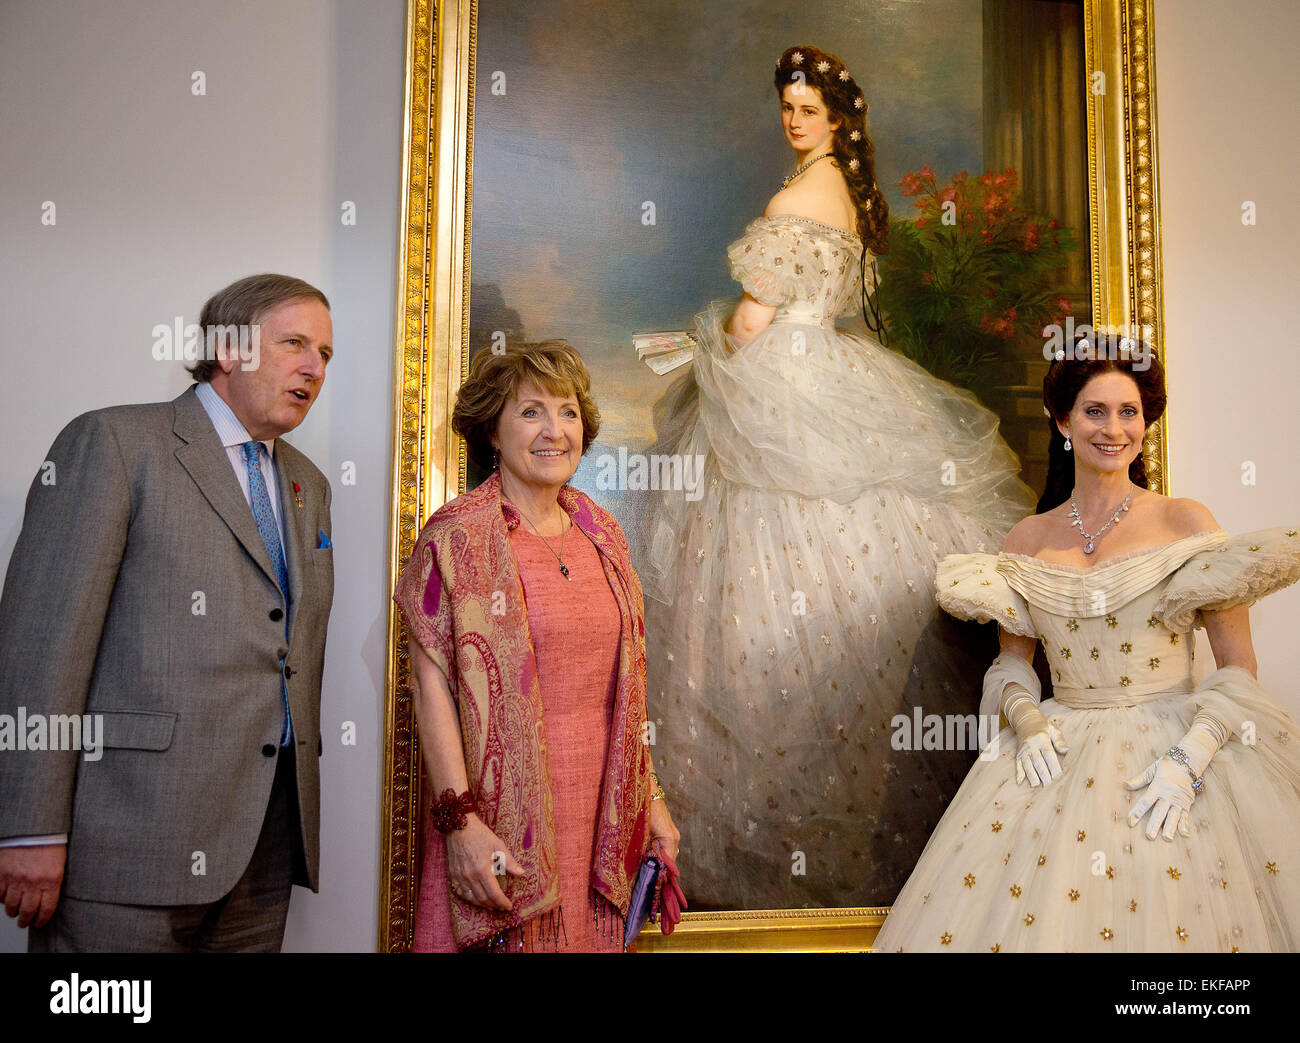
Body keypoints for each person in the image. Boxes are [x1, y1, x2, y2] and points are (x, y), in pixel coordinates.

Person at [639, 45, 1036, 908]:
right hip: (831, 370)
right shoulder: (848, 195)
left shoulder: (796, 195)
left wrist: (705, 344)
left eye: (808, 108)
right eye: (787, 105)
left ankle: (764, 819)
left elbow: (753, 319)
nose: (793, 119)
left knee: (746, 590)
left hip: (787, 377)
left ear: (837, 118)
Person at [873, 339, 1300, 952]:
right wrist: (1025, 717)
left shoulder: (1186, 521)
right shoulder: (1028, 538)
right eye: (1095, 411)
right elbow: (1012, 661)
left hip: (1176, 751)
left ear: (1146, 423)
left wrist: (1190, 759)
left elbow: (1239, 667)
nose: (1114, 428)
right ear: (1062, 419)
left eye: (1129, 412)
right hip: (1058, 748)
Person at [0, 273, 336, 952]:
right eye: (295, 343)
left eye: (326, 354)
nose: (313, 367)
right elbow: (41, 644)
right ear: (227, 348)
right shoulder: (115, 444)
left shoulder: (309, 484)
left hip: (262, 853)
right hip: (125, 847)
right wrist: (30, 827)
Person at [393, 341, 681, 952]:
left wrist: (649, 797)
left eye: (568, 411)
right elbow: (430, 688)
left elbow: (624, 693)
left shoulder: (602, 532)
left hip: (601, 817)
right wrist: (460, 824)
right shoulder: (458, 536)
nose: (555, 430)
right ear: (492, 432)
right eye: (531, 412)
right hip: (498, 825)